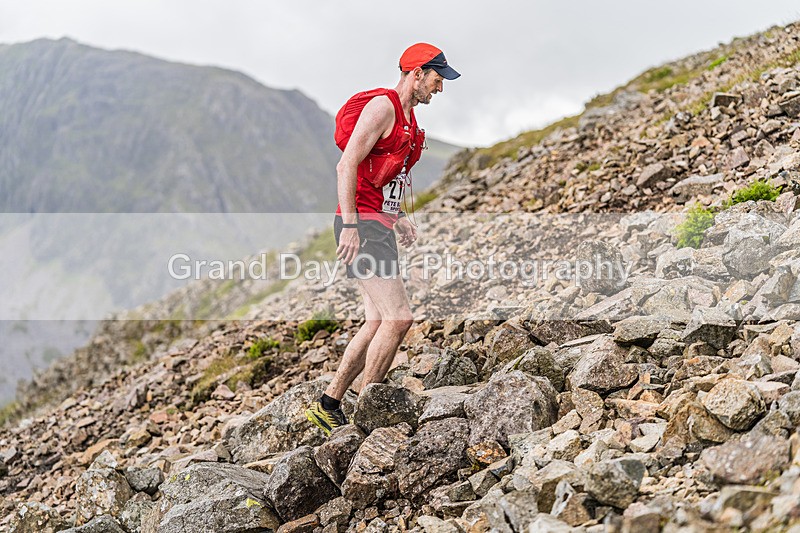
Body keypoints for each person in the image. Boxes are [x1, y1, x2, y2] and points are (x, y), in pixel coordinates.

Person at [305, 43, 460, 435]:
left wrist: (399, 216)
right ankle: (367, 414)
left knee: (376, 320)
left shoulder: (409, 119)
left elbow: (386, 177)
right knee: (399, 317)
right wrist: (351, 226)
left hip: (379, 224)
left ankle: (329, 404)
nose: (440, 88)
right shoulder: (383, 108)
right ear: (417, 73)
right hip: (362, 226)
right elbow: (347, 164)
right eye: (437, 79)